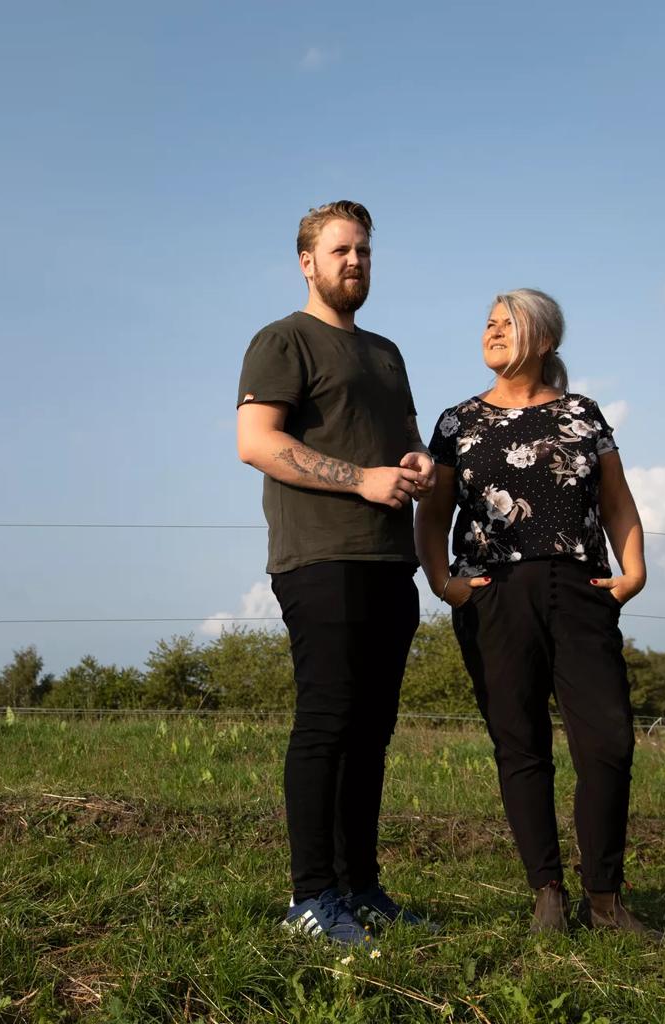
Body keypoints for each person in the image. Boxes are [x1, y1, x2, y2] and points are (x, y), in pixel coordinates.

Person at [414, 288, 660, 938]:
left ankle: (604, 903)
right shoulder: (456, 423)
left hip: (581, 591)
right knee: (520, 744)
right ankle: (547, 896)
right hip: (493, 593)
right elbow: (433, 513)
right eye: (488, 324)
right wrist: (446, 583)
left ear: (544, 339)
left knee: (607, 744)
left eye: (508, 323)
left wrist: (633, 573)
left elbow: (618, 502)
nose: (493, 331)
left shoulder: (583, 414)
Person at [235, 201, 434, 948]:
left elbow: (406, 442)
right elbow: (256, 442)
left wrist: (419, 463)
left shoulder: (386, 352)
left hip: (390, 560)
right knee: (326, 722)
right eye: (341, 250)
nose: (356, 262)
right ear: (307, 262)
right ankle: (310, 896)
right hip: (320, 557)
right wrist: (359, 480)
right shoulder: (283, 339)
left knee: (372, 732)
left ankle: (361, 887)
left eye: (365, 252)